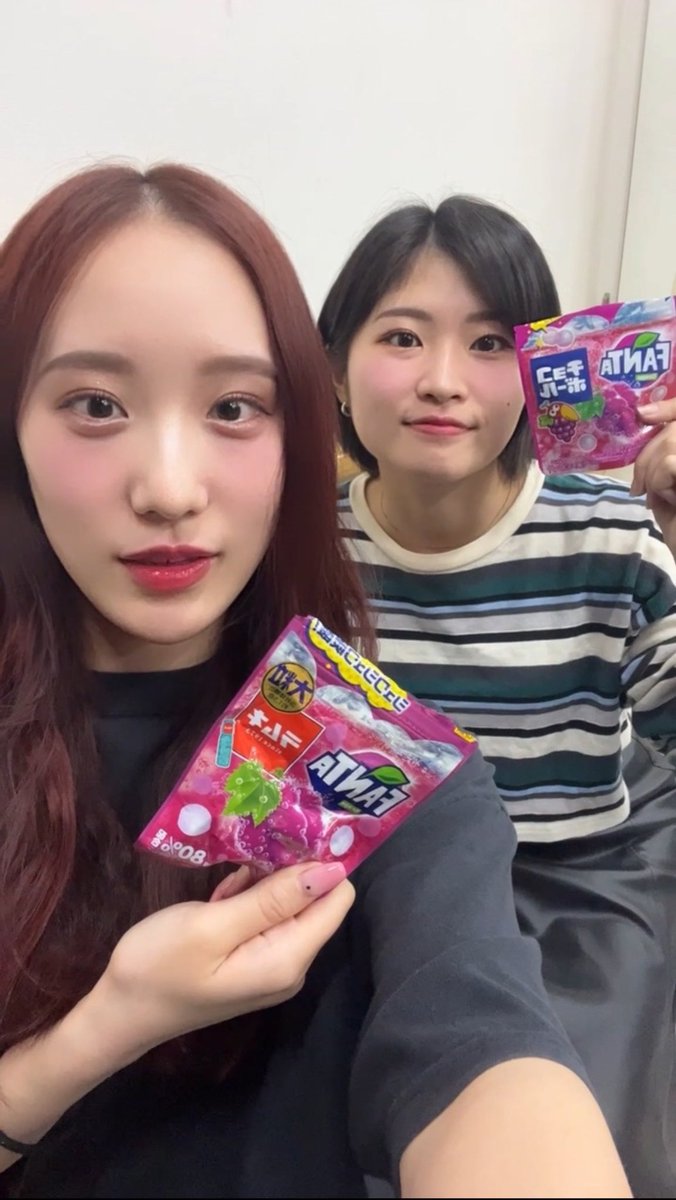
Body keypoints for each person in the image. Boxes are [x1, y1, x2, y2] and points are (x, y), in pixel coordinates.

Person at [0, 164, 628, 1200]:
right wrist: (104, 1031)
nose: (170, 489)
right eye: (96, 404)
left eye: (234, 406)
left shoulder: (378, 761)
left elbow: (478, 1032)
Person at [319, 193, 676, 1198]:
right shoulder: (303, 547)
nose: (442, 380)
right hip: (376, 893)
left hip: (575, 884)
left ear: (540, 373)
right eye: (401, 336)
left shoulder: (612, 535)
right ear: (334, 365)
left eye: (488, 344)